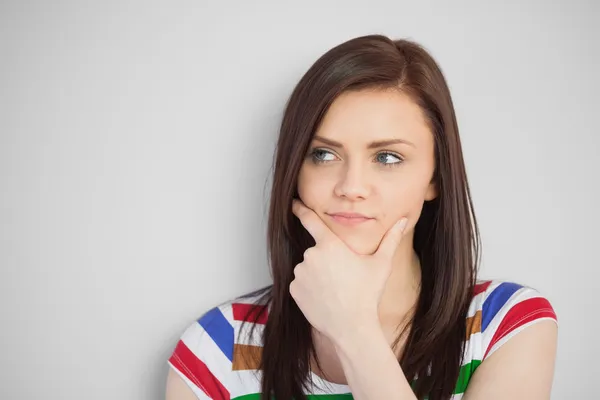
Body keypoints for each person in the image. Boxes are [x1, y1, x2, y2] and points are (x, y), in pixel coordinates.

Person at [164, 34, 558, 400]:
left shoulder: (505, 324)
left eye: (387, 157)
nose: (351, 186)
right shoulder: (217, 349)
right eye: (323, 154)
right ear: (294, 172)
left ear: (434, 179)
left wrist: (354, 331)